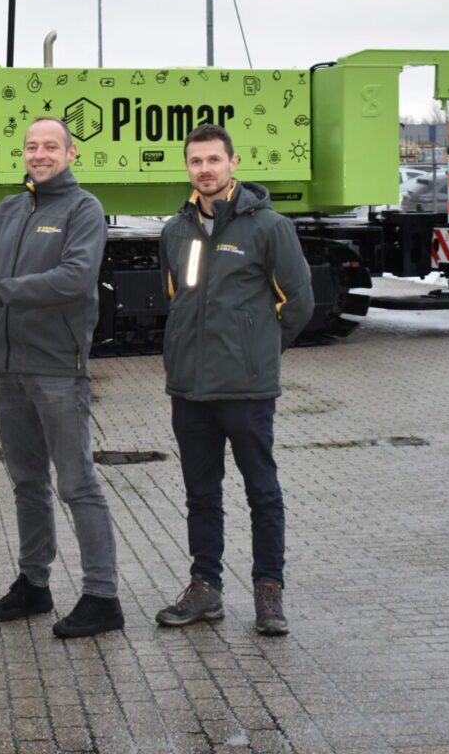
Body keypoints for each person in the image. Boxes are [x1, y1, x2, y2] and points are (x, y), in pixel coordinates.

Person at [0, 117, 123, 638]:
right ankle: (35, 583)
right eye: (32, 146)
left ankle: (103, 597)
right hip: (8, 368)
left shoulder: (83, 209)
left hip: (56, 368)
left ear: (71, 153)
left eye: (50, 146)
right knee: (27, 481)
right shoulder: (10, 210)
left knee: (76, 482)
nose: (39, 154)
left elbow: (75, 278)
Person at [153, 124, 313, 635]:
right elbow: (178, 299)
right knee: (201, 495)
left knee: (262, 492)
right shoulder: (175, 231)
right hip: (190, 390)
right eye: (196, 161)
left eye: (213, 160)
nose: (205, 169)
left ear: (233, 163)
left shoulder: (268, 227)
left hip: (246, 390)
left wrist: (257, 352)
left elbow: (299, 302)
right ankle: (205, 587)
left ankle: (269, 590)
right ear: (187, 167)